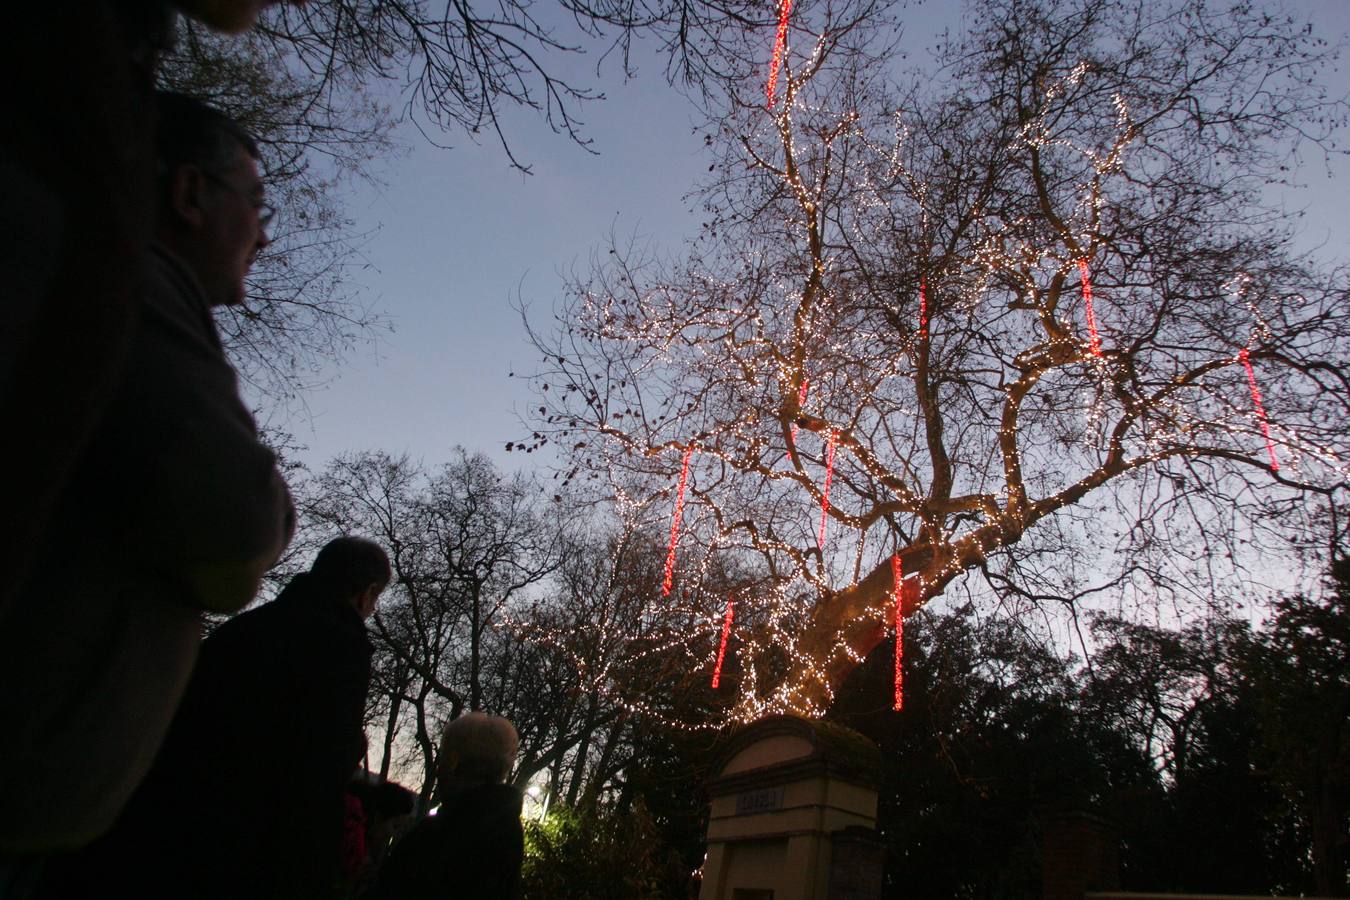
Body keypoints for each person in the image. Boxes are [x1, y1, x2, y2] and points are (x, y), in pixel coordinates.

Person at [0, 91, 294, 868]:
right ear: (190, 192)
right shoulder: (126, 283)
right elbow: (239, 521)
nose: (264, 235)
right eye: (256, 203)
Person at [39, 535, 390, 899]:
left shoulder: (245, 627)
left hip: (161, 826)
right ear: (367, 592)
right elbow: (315, 773)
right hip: (243, 845)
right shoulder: (341, 646)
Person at [370, 713, 525, 900]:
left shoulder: (437, 835)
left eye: (443, 757)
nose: (438, 770)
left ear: (455, 761)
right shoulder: (507, 832)